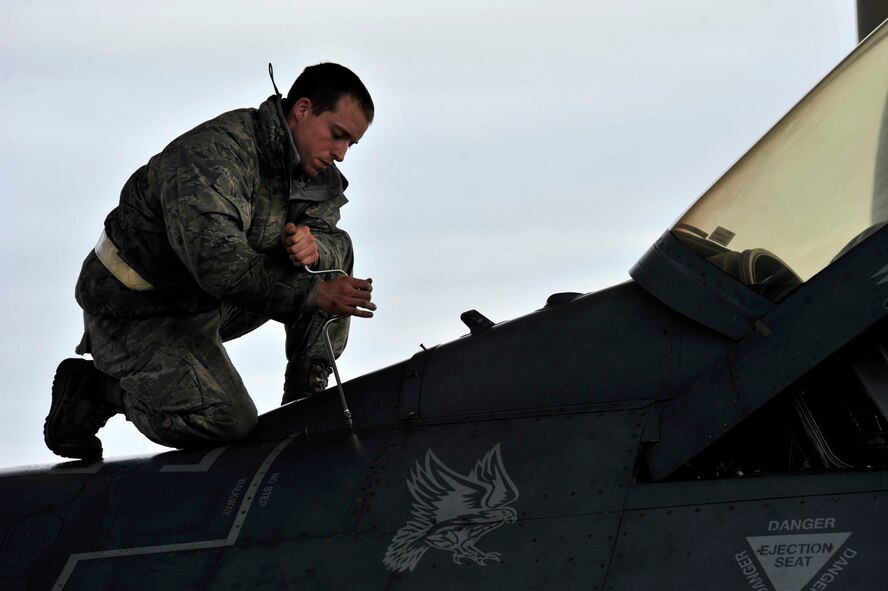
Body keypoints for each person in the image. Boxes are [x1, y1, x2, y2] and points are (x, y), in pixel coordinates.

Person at [44, 63, 377, 461]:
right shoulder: (215, 155)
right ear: (302, 109)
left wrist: (314, 248)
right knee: (227, 421)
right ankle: (96, 389)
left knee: (332, 271)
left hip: (205, 302)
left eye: (350, 145)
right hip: (137, 310)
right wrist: (312, 293)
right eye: (337, 136)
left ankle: (305, 399)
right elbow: (219, 266)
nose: (340, 153)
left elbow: (333, 240)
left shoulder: (311, 169)